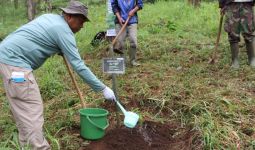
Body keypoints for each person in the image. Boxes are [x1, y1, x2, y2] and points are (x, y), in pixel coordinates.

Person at [0, 1, 116, 149]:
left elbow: (43, 35)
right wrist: (102, 88)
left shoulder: (51, 18)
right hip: (15, 65)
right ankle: (38, 147)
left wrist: (59, 48)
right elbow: (79, 66)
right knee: (31, 110)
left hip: (6, 58)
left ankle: (27, 145)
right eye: (81, 21)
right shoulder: (63, 31)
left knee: (24, 110)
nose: (82, 26)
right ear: (69, 17)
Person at [219, 0, 255, 68]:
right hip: (231, 4)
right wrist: (222, 4)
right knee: (232, 33)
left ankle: (252, 59)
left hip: (247, 4)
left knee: (249, 32)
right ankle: (235, 61)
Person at [111, 0, 143, 66]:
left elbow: (140, 4)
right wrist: (119, 18)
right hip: (120, 20)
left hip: (132, 20)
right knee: (120, 42)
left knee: (133, 41)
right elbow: (114, 6)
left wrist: (133, 11)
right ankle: (122, 62)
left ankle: (132, 61)